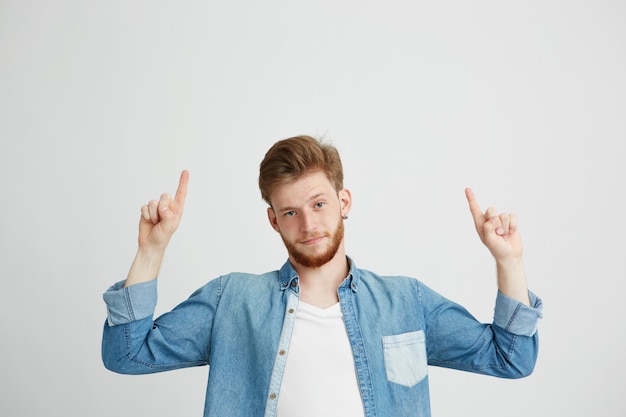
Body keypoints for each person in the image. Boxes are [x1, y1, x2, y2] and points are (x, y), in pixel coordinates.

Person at [102, 135, 542, 417]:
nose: (308, 225)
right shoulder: (232, 300)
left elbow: (512, 359)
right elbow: (126, 354)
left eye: (318, 204)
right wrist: (151, 251)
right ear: (273, 221)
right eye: (290, 212)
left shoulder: (405, 301)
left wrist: (509, 262)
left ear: (344, 201)